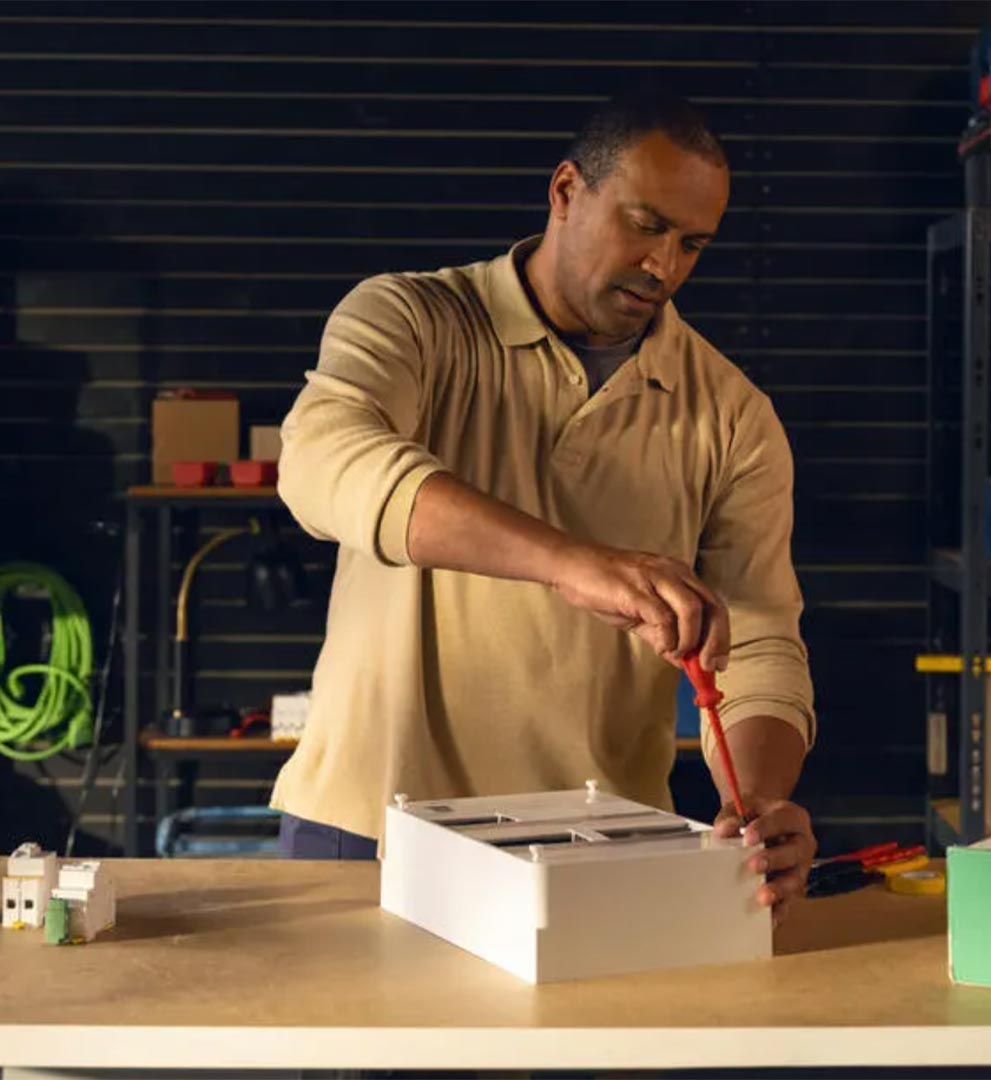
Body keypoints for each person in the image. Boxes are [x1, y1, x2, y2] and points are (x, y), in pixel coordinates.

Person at [270, 87, 817, 926]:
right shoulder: (413, 318)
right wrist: (573, 564)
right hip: (369, 826)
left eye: (692, 244)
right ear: (566, 191)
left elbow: (760, 640)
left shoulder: (733, 415)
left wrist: (757, 804)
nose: (664, 266)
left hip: (600, 845)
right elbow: (319, 460)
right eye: (645, 225)